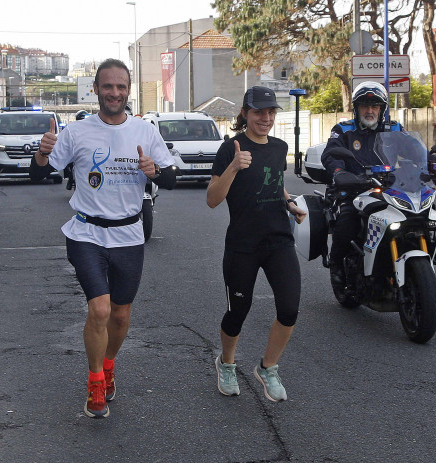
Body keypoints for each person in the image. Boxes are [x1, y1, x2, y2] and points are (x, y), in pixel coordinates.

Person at [31, 58, 177, 419]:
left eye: (121, 87)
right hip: (86, 232)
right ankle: (95, 380)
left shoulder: (145, 131)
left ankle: (109, 365)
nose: (114, 93)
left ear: (128, 91)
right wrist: (42, 152)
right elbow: (39, 173)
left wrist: (154, 171)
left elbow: (171, 178)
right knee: (99, 308)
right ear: (95, 89)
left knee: (122, 315)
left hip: (129, 233)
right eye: (107, 86)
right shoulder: (78, 132)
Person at [206, 86, 307, 402]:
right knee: (238, 310)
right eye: (258, 112)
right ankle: (227, 362)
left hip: (278, 239)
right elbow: (212, 199)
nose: (265, 118)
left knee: (289, 308)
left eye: (270, 112)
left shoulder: (280, 147)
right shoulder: (230, 149)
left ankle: (268, 367)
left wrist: (289, 203)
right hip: (243, 244)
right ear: (245, 114)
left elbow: (275, 183)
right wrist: (234, 166)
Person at [321, 81, 403, 288]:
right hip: (353, 190)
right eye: (365, 106)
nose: (370, 110)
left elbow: (412, 150)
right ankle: (337, 265)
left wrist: (430, 164)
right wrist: (339, 172)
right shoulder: (344, 129)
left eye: (375, 106)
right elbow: (331, 154)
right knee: (347, 221)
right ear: (356, 108)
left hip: (389, 189)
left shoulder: (394, 129)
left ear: (382, 109)